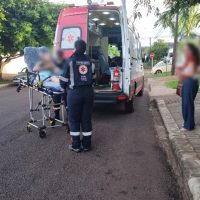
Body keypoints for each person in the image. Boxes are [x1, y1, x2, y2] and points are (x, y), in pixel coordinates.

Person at [60, 40, 94, 152]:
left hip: (74, 94)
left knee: (74, 120)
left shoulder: (70, 61)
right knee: (86, 119)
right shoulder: (90, 61)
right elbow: (93, 77)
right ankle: (87, 145)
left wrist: (64, 87)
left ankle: (75, 146)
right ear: (85, 49)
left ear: (75, 48)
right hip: (88, 93)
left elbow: (63, 81)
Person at [176, 43, 200, 131]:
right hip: (189, 82)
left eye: (186, 49)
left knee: (187, 104)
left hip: (190, 82)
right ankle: (188, 123)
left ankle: (189, 126)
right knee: (187, 104)